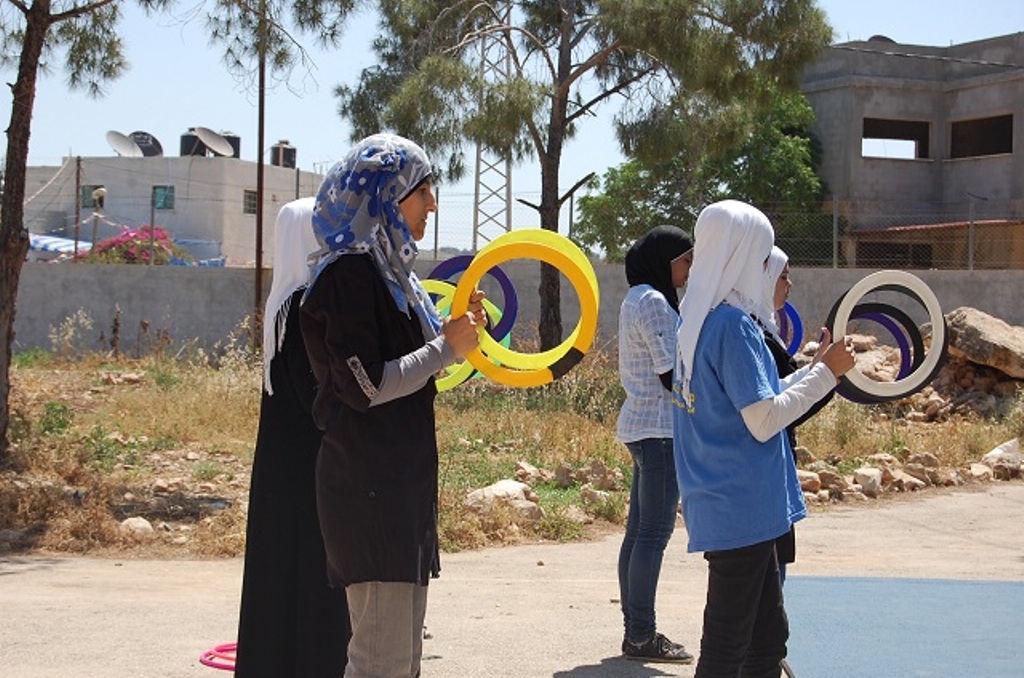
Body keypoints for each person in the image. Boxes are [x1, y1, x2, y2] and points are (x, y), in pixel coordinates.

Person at [299, 133, 485, 678]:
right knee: (379, 664)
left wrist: (454, 339)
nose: (433, 204)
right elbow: (367, 386)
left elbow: (419, 369)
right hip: (370, 495)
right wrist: (445, 346)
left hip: (399, 494)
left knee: (402, 663)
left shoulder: (393, 277)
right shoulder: (349, 277)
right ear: (385, 194)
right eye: (423, 190)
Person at [672, 200, 856, 677]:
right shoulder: (733, 327)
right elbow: (763, 418)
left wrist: (817, 371)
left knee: (766, 638)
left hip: (728, 504)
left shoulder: (696, 320)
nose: (766, 270)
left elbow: (759, 398)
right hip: (745, 507)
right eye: (761, 258)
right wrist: (826, 377)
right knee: (731, 646)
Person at [234, 197, 351, 677]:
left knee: (279, 578)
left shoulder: (282, 305)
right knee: (314, 581)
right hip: (312, 469)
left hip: (283, 470)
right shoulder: (308, 308)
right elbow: (321, 400)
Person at [615, 225, 695, 663]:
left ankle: (636, 631)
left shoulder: (637, 298)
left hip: (644, 427)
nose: (689, 269)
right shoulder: (654, 302)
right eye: (685, 260)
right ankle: (642, 635)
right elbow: (672, 374)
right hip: (660, 431)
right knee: (652, 535)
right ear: (665, 261)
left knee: (637, 535)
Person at [757, 246, 834, 587]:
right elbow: (773, 411)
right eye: (783, 276)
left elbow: (780, 395)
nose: (790, 284)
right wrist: (824, 376)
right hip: (763, 473)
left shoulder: (764, 332)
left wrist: (820, 371)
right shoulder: (749, 335)